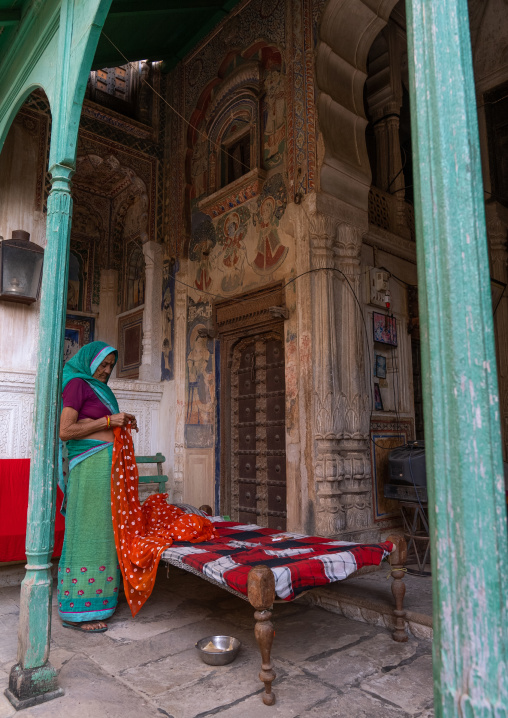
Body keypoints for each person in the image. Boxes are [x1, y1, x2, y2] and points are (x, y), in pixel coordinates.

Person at [58, 341, 137, 633]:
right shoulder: (77, 384)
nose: (106, 370)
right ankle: (77, 611)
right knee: (88, 528)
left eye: (110, 365)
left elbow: (104, 424)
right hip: (89, 466)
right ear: (89, 361)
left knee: (105, 528)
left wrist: (120, 423)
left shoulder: (99, 389)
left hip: (106, 465)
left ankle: (102, 598)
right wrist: (107, 420)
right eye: (102, 364)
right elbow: (66, 431)